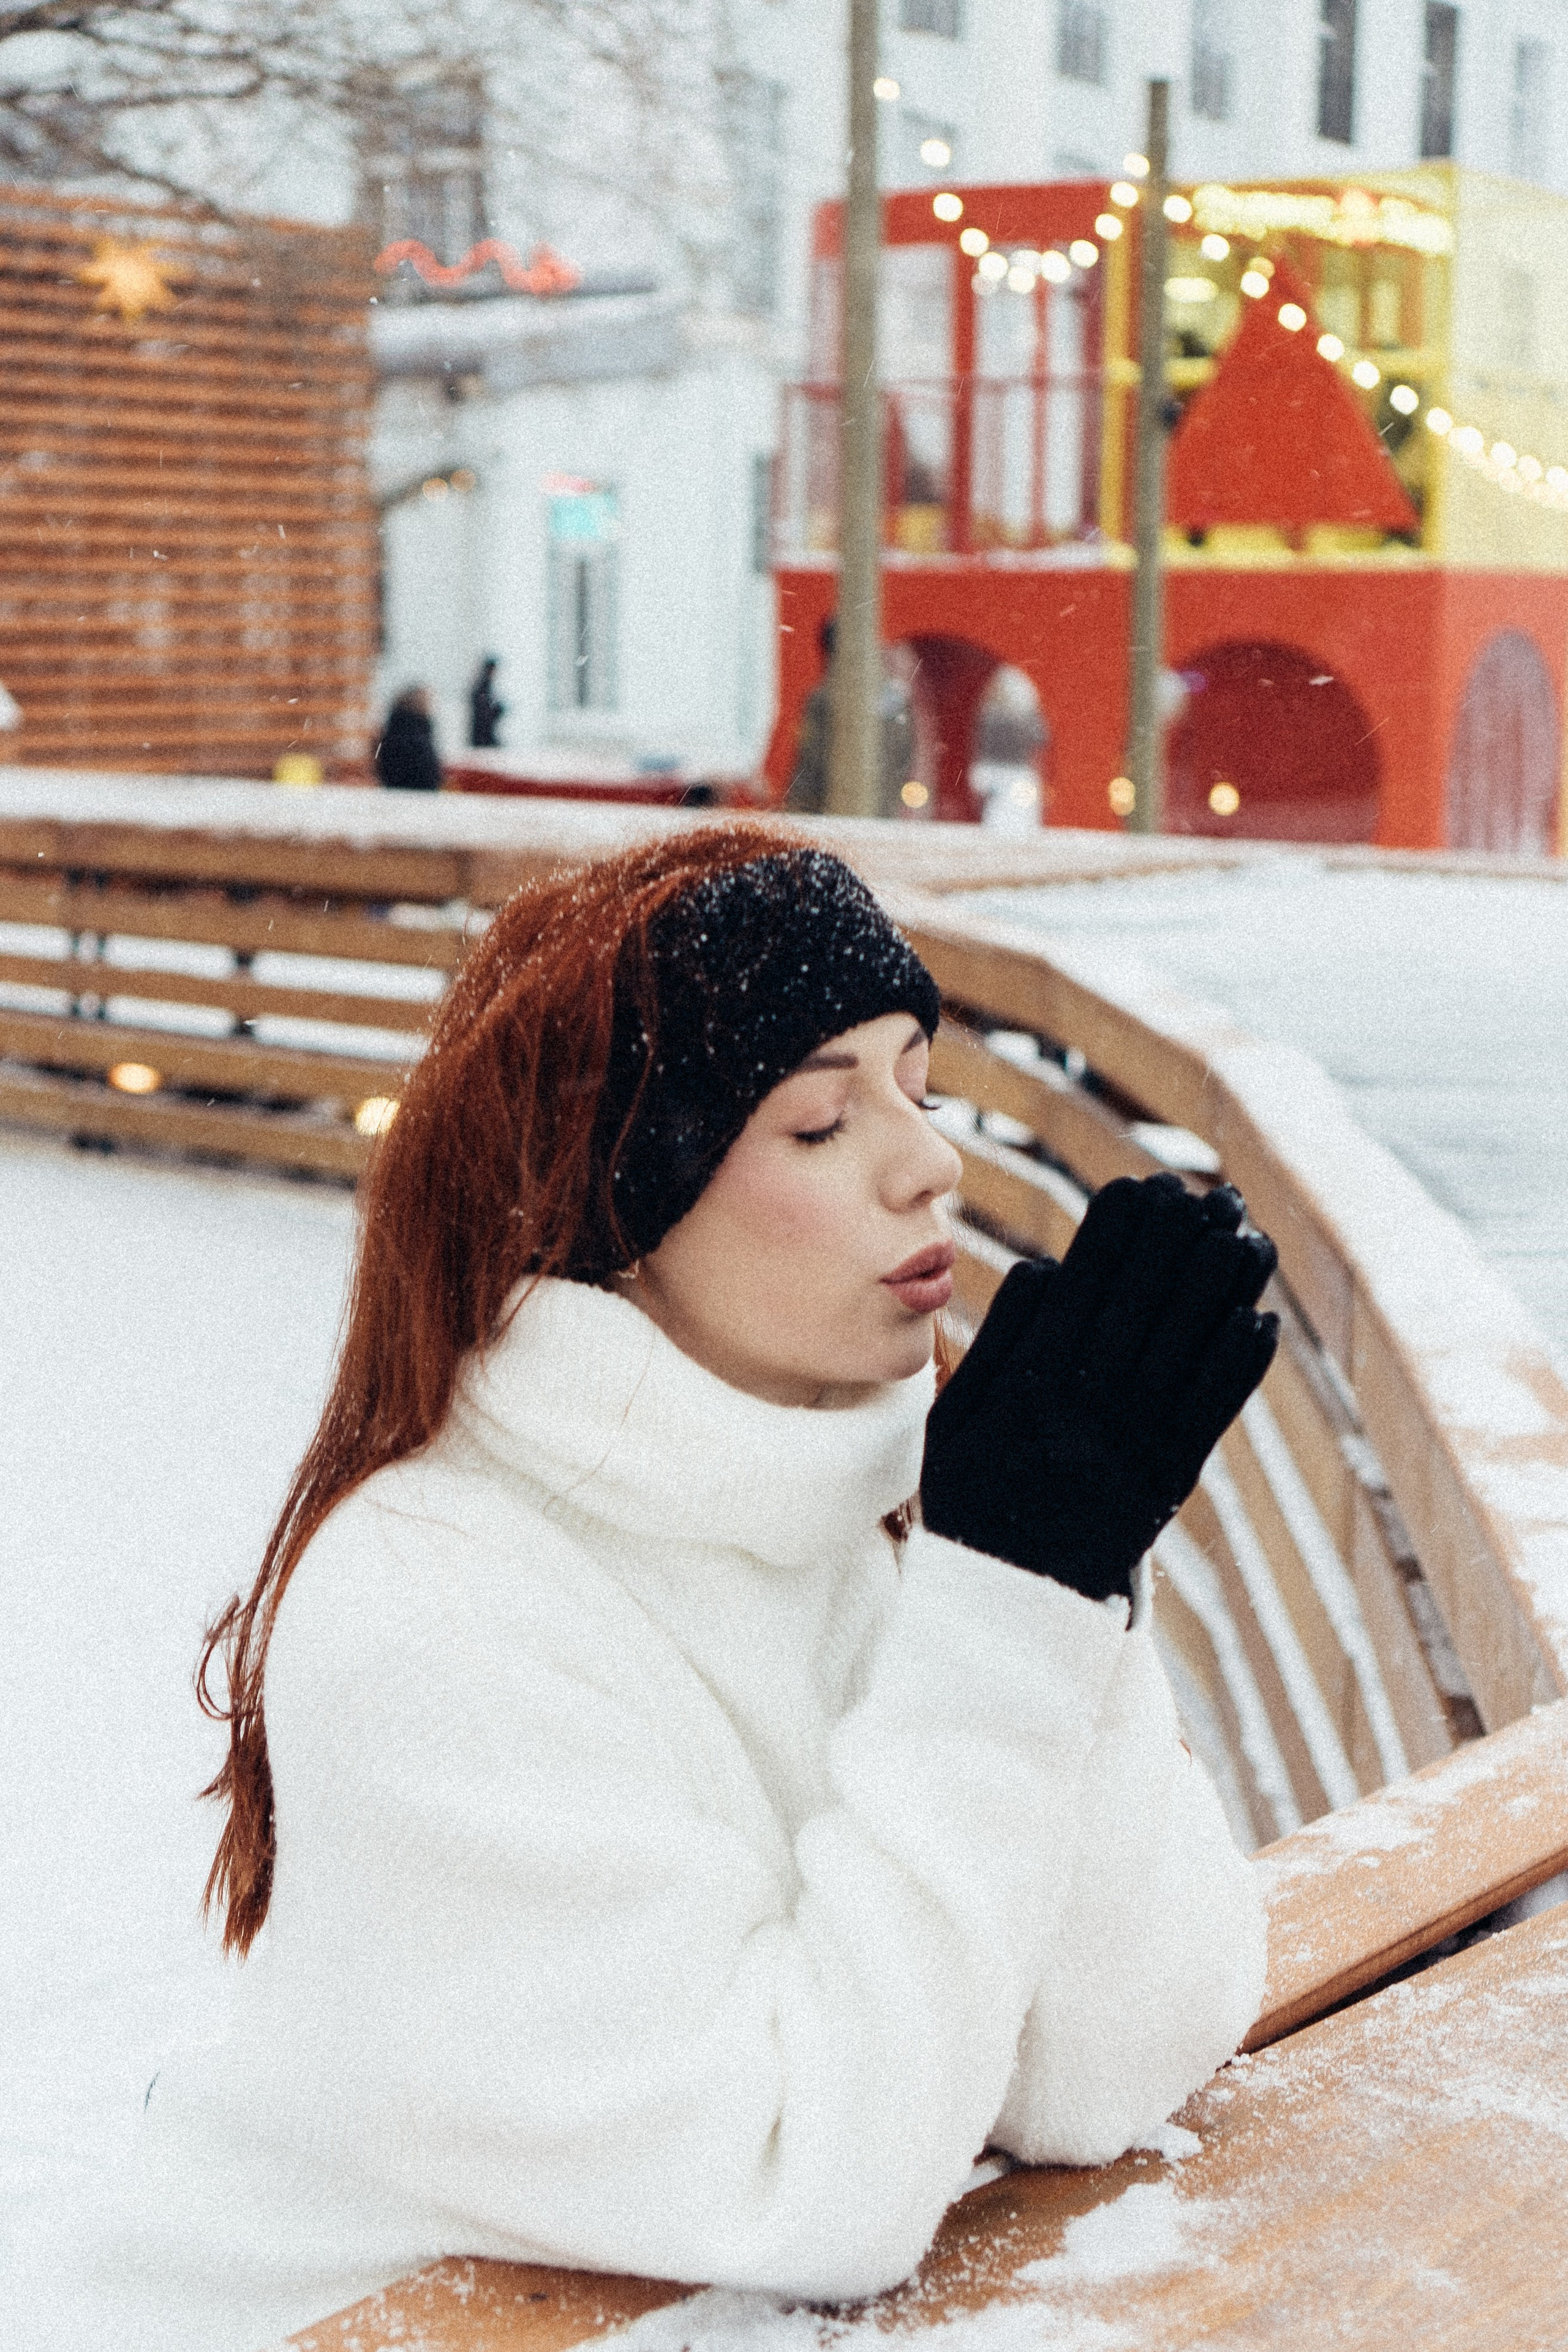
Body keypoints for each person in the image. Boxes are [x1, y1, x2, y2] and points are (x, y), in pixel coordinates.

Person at [71, 824, 1273, 2351]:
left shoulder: (911, 1504)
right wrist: (1009, 1605)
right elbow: (807, 2180)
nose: (929, 1161)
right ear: (619, 1213)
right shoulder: (432, 1607)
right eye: (820, 1125)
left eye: (922, 1084)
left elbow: (1108, 2058)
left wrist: (1064, 1574)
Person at [785, 616, 915, 819]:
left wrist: (796, 807)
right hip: (883, 812)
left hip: (829, 813)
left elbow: (810, 762)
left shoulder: (823, 699)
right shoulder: (894, 698)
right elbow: (904, 757)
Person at [374, 685, 442, 791]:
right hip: (420, 795)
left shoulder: (391, 731)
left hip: (393, 793)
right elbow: (428, 770)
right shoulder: (418, 735)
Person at [467, 655, 505, 749]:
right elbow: (483, 713)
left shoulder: (484, 686)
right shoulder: (483, 687)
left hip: (483, 734)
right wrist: (497, 711)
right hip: (483, 735)